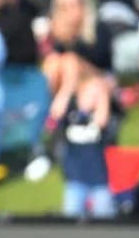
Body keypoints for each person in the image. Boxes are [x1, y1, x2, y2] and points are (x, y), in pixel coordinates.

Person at [49, 64, 115, 219]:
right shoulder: (70, 112)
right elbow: (55, 112)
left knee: (105, 221)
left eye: (97, 94)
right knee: (71, 218)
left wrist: (103, 94)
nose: (94, 97)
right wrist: (68, 86)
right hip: (75, 179)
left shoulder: (100, 116)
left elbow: (102, 120)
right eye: (91, 92)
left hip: (99, 180)